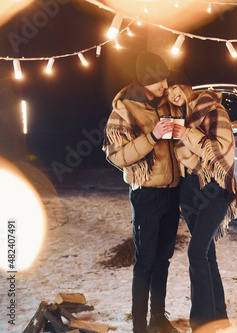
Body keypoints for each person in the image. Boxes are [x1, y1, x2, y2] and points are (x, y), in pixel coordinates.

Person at [102, 51, 182, 333]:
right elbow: (117, 156)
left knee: (164, 259)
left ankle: (158, 317)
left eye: (166, 80)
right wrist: (153, 136)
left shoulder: (166, 104)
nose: (165, 86)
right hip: (146, 194)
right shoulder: (124, 110)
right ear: (146, 80)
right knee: (146, 260)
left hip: (172, 193)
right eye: (160, 81)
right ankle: (139, 326)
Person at [166, 70, 237, 331]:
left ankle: (201, 323)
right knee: (207, 255)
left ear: (185, 85)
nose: (172, 94)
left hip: (214, 189)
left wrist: (186, 133)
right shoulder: (179, 116)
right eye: (166, 92)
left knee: (196, 252)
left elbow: (220, 150)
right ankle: (219, 318)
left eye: (174, 87)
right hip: (189, 190)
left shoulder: (213, 109)